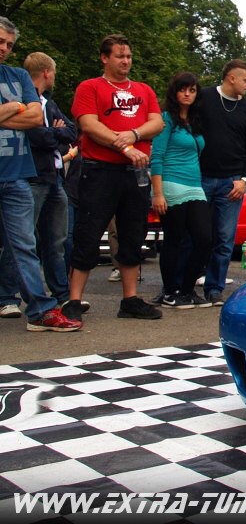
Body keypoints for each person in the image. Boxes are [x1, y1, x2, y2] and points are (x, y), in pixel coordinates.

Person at [62, 34, 164, 323]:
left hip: (134, 174)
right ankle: (73, 300)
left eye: (128, 56)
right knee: (89, 233)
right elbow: (89, 125)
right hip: (99, 170)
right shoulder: (90, 87)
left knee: (133, 234)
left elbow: (157, 122)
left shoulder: (143, 90)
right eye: (120, 56)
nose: (125, 61)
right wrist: (126, 148)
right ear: (105, 58)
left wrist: (133, 134)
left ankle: (130, 299)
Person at [0, 17, 80, 331]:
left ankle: (40, 311)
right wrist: (17, 107)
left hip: (17, 175)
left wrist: (20, 110)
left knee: (25, 245)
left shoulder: (18, 75)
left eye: (9, 44)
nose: (4, 48)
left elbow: (35, 117)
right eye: (0, 41)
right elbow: (28, 114)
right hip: (26, 175)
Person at [194, 59, 246, 306]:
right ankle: (182, 286)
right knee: (195, 234)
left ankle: (214, 288)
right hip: (200, 177)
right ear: (231, 78)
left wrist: (245, 180)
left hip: (232, 183)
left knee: (224, 237)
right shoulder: (204, 98)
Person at [150, 72, 213, 309]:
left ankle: (187, 290)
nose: (187, 94)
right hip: (171, 184)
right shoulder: (166, 119)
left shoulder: (195, 121)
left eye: (192, 90)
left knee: (204, 238)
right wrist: (158, 193)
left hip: (194, 185)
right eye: (182, 89)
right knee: (174, 239)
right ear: (174, 92)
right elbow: (156, 156)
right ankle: (169, 292)